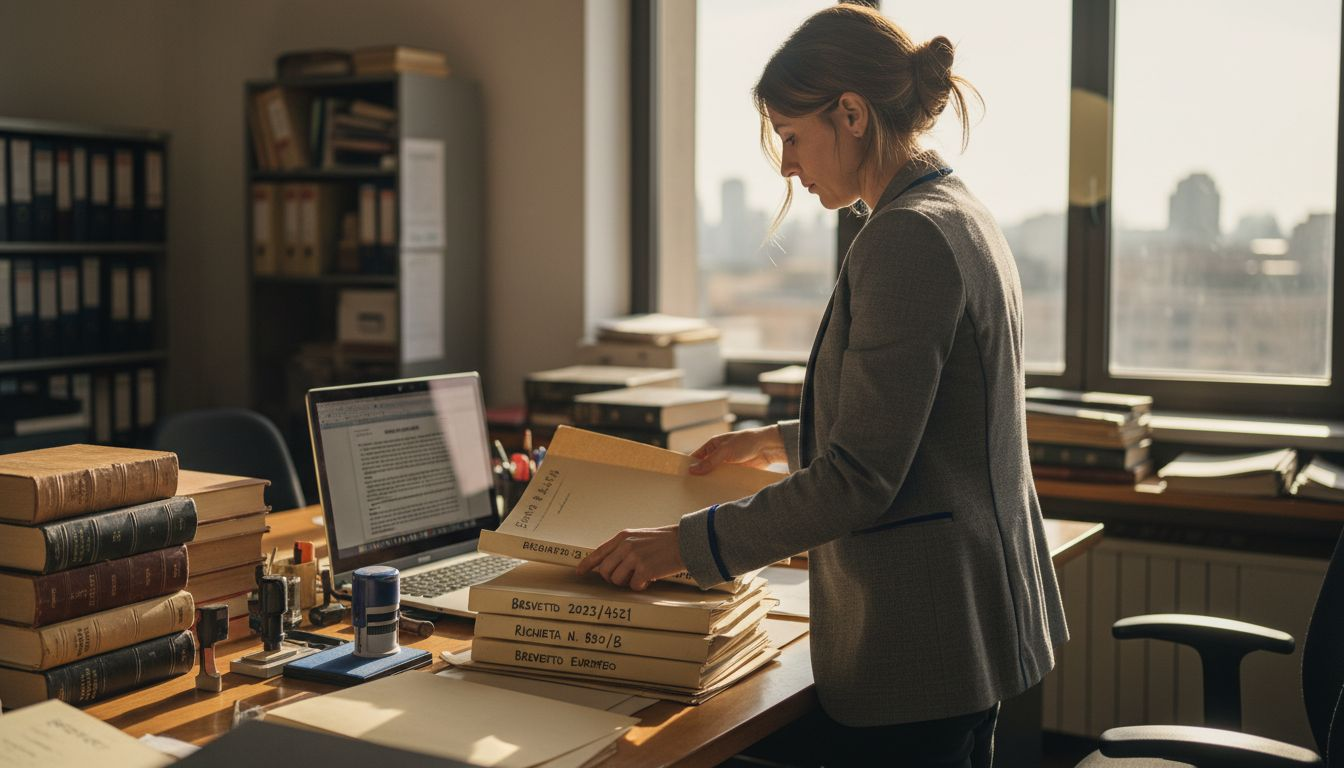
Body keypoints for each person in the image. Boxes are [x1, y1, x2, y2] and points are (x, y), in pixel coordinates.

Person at [578, 5, 1067, 766]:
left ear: (852, 114)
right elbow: (925, 423)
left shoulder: (906, 237)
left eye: (792, 136)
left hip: (918, 641)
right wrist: (776, 440)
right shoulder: (959, 211)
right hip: (967, 629)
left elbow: (863, 477)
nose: (785, 164)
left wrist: (682, 546)